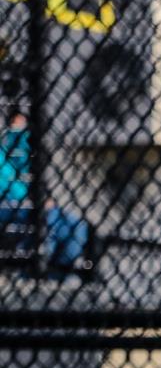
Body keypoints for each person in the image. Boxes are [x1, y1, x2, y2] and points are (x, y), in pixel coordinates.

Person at [0, 109, 94, 274]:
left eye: (22, 123)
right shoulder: (4, 153)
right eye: (15, 123)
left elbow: (24, 175)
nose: (19, 127)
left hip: (28, 202)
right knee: (48, 218)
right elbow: (10, 186)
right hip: (9, 204)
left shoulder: (23, 150)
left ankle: (62, 272)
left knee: (75, 224)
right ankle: (36, 268)